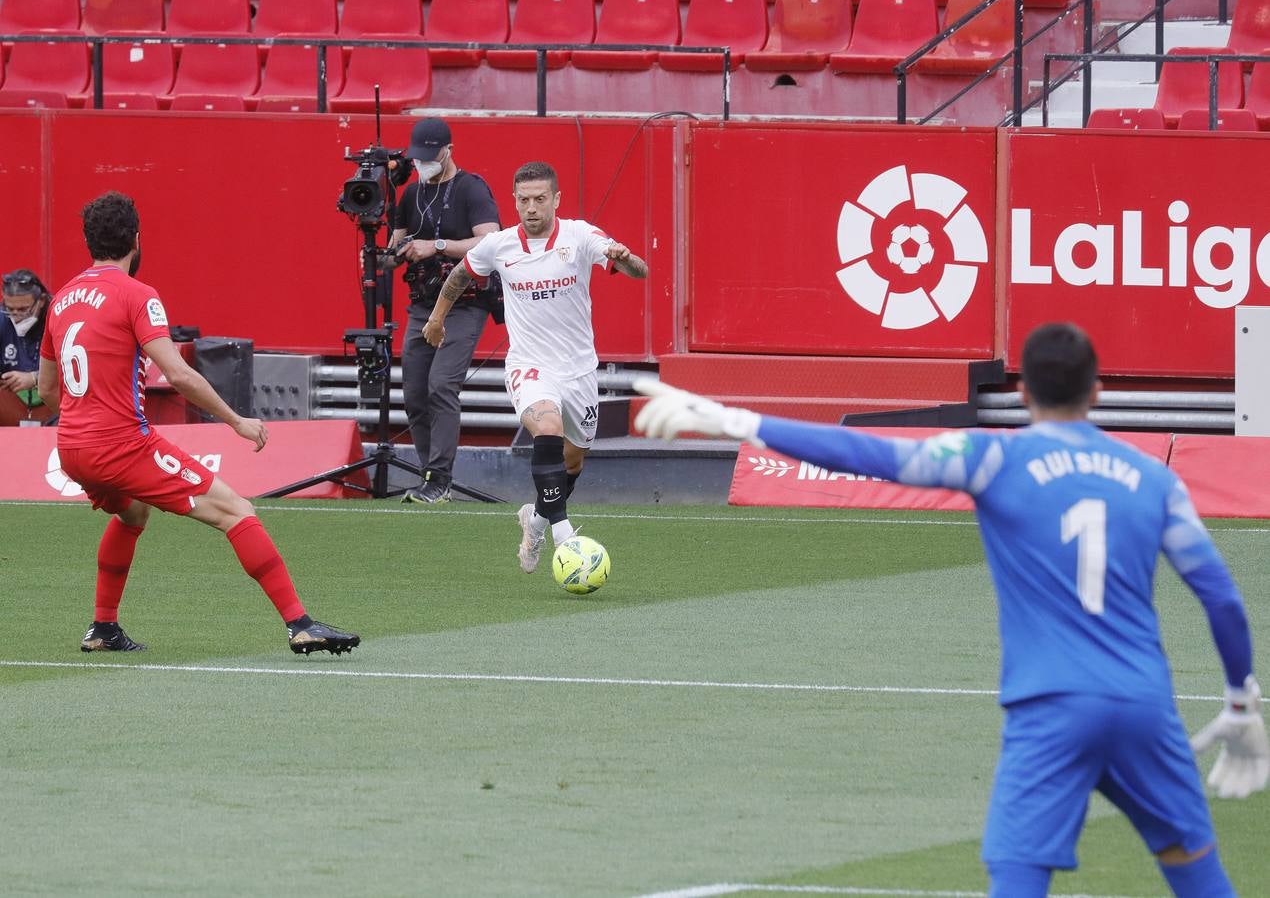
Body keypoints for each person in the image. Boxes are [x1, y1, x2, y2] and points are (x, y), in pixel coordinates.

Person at [633, 322, 1268, 898]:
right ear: (1096, 393)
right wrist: (1241, 699)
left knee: (1019, 878)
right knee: (1197, 870)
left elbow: (872, 455)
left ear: (1024, 395)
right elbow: (1219, 595)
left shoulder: (995, 459)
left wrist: (736, 420)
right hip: (1143, 708)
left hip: (1051, 708)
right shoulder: (1153, 479)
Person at [37, 191, 359, 656]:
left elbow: (49, 389)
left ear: (89, 242)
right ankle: (300, 624)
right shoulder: (137, 295)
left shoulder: (63, 298)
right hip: (120, 445)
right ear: (136, 239)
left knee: (132, 511)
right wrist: (237, 422)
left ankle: (103, 629)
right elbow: (179, 374)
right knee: (236, 511)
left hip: (70, 446)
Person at [424, 161, 648, 573]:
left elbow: (640, 271)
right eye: (524, 200)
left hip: (578, 369)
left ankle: (537, 519)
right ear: (515, 201)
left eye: (540, 199)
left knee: (573, 461)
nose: (531, 208)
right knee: (547, 426)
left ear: (556, 200)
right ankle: (566, 536)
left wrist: (626, 257)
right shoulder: (500, 245)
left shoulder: (580, 236)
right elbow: (459, 276)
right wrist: (437, 318)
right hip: (529, 364)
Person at [383, 117, 501, 505]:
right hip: (422, 304)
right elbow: (392, 251)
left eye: (428, 157)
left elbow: (490, 241)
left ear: (448, 151)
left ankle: (440, 478)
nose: (421, 165)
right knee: (415, 392)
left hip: (465, 304)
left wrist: (436, 246)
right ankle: (429, 474)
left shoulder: (471, 188)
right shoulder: (410, 194)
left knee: (441, 385)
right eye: (417, 158)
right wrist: (389, 250)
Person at [1, 268, 52, 423]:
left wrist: (35, 378)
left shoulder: (57, 318)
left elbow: (75, 371)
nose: (16, 317)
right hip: (11, 405)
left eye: (23, 310)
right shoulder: (3, 319)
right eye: (10, 309)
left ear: (41, 301)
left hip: (53, 407)